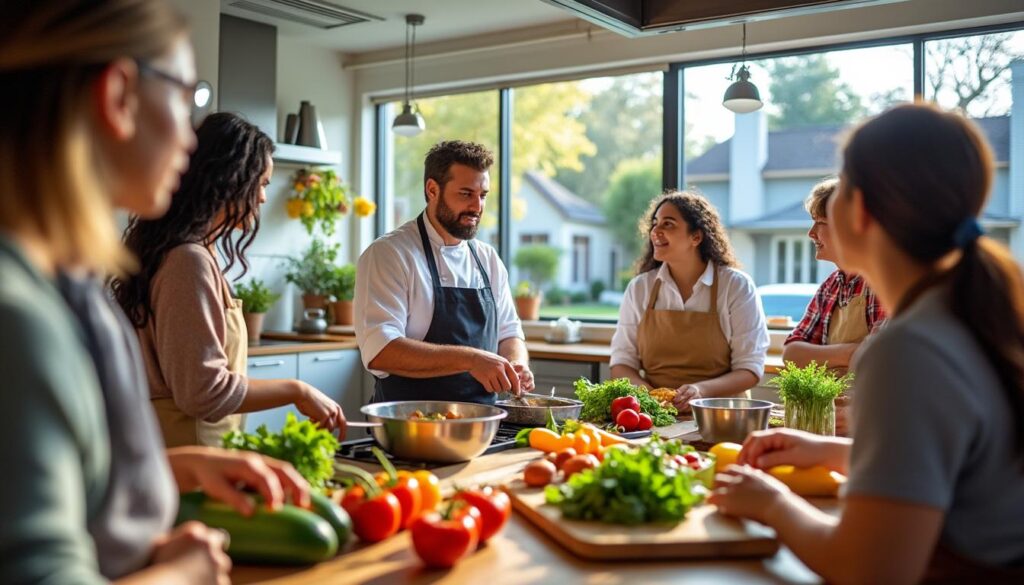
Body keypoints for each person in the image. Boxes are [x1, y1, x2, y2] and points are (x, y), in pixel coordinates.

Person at [0, 1, 310, 583]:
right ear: (119, 95)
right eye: (187, 96)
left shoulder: (70, 284)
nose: (190, 142)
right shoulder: (18, 315)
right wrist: (183, 574)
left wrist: (174, 468)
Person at [710, 104, 1024, 582]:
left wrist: (772, 503)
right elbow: (956, 467)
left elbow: (868, 570)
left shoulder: (908, 349)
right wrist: (829, 451)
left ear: (859, 210)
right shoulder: (968, 311)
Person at [113, 112, 346, 447]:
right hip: (189, 451)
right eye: (262, 183)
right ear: (230, 179)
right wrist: (298, 390)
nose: (263, 197)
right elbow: (203, 392)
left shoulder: (186, 253)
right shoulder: (187, 262)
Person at [354, 140, 534, 403]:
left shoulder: (487, 259)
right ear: (432, 190)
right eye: (466, 194)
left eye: (483, 195)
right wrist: (471, 359)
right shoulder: (390, 254)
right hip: (409, 420)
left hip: (481, 420)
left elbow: (509, 333)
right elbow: (381, 350)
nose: (477, 207)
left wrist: (516, 363)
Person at [610, 192, 769, 412]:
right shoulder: (640, 288)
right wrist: (652, 399)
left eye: (668, 224)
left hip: (721, 414)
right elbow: (622, 363)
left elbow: (750, 369)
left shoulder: (736, 286)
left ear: (696, 237)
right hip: (656, 413)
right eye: (655, 223)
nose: (655, 231)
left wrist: (700, 391)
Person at [782, 178, 886, 372]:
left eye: (820, 223)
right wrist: (852, 352)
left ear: (849, 228)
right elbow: (791, 354)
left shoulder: (880, 285)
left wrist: (821, 356)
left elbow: (879, 358)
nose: (811, 233)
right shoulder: (831, 286)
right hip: (832, 393)